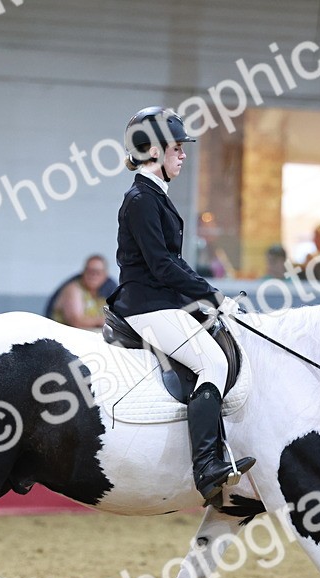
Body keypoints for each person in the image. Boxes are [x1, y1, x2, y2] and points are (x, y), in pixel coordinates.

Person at [108, 106, 254, 504]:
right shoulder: (141, 199)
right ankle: (206, 466)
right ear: (152, 152)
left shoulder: (155, 196)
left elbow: (174, 264)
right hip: (146, 306)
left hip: (162, 301)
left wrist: (206, 295)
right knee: (214, 363)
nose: (184, 154)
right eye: (176, 147)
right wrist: (212, 297)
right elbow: (162, 264)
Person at [50, 254, 112, 330]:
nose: (93, 275)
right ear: (83, 272)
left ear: (105, 275)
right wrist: (102, 320)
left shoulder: (100, 296)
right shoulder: (73, 289)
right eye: (90, 271)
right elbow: (75, 321)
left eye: (98, 272)